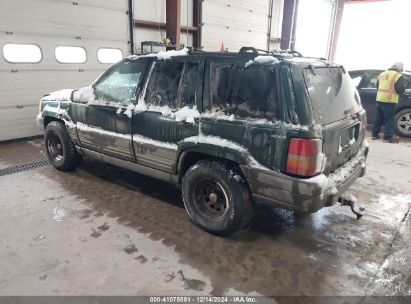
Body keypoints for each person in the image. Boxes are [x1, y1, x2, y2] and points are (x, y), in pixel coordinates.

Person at [372, 62, 409, 143]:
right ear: (399, 68)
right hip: (389, 100)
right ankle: (387, 137)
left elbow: (377, 86)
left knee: (379, 117)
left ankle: (374, 135)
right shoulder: (397, 75)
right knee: (389, 119)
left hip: (379, 99)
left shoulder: (382, 74)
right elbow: (400, 89)